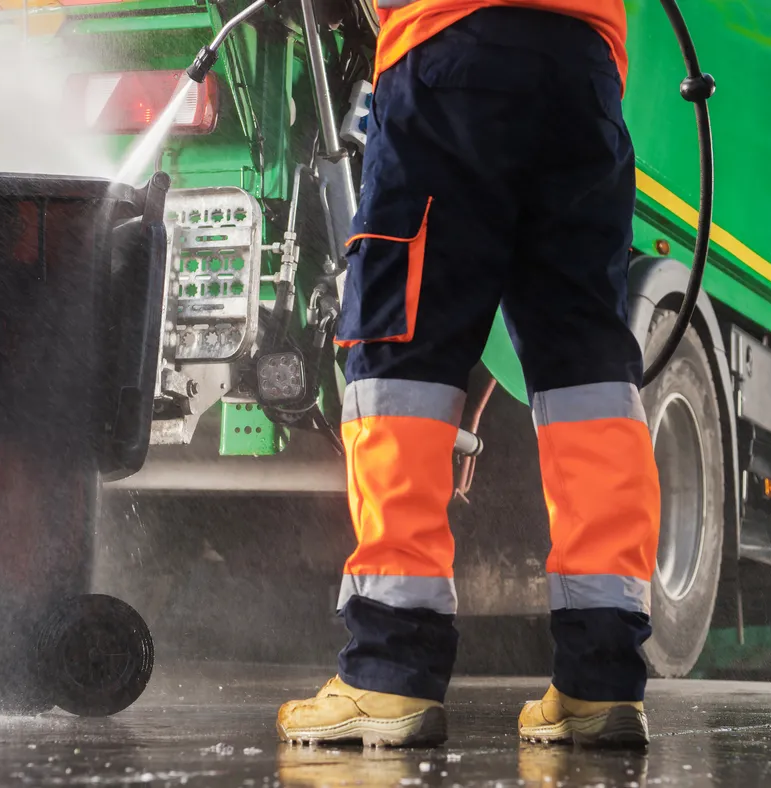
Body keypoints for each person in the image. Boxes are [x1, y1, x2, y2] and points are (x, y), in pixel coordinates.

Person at [276, 0, 660, 749]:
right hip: (583, 73)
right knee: (587, 375)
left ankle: (388, 672)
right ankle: (601, 683)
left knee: (401, 359)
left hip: (449, 48)